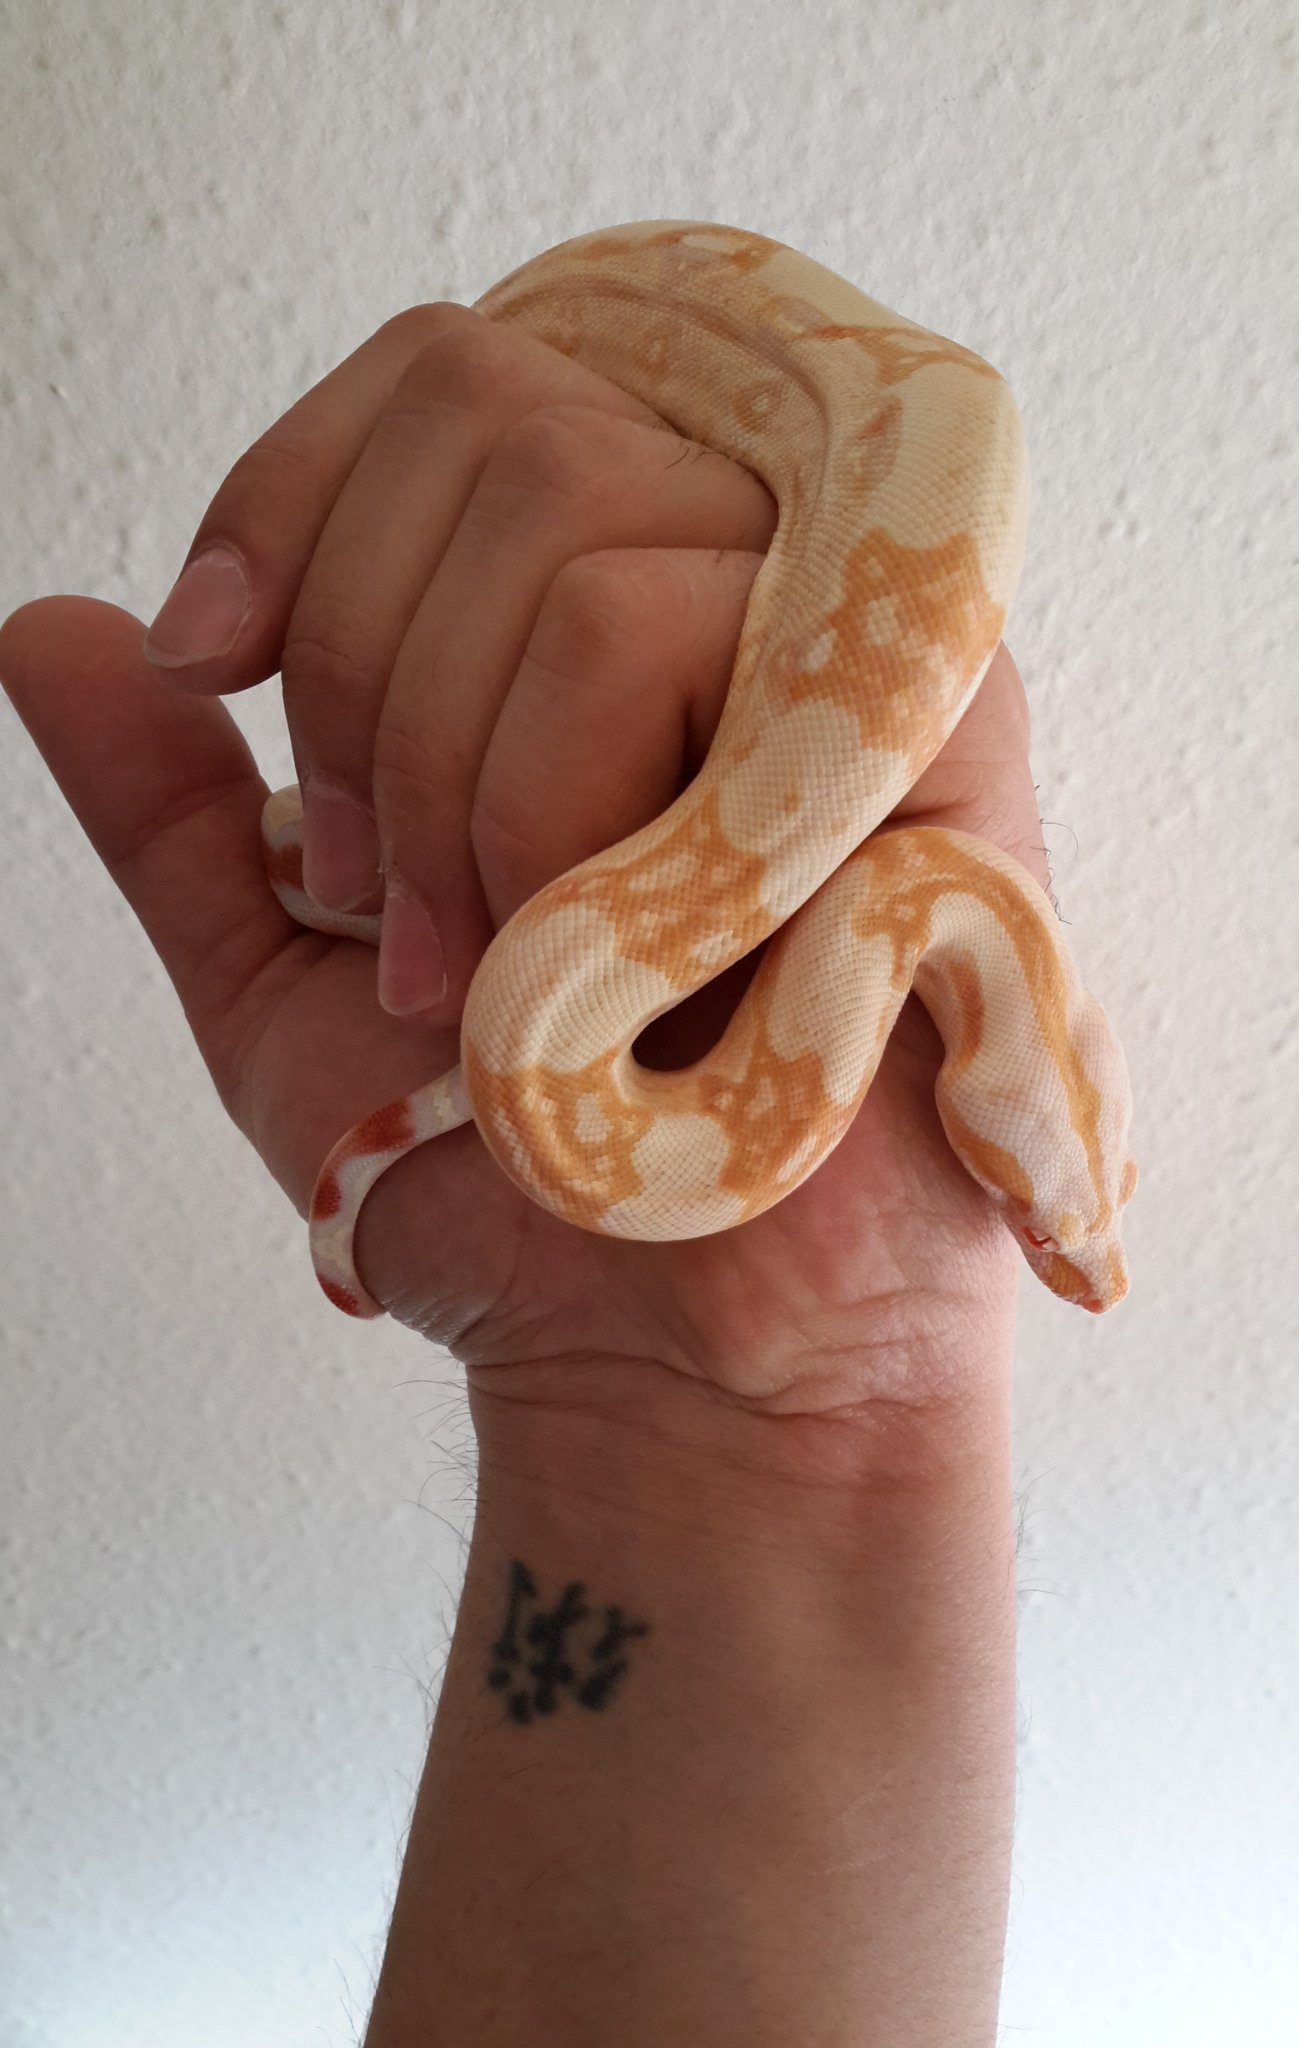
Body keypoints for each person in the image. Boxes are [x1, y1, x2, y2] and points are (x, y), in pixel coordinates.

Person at [0, 296, 1060, 2045]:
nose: (1050, 1257)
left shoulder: (894, 954)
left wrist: (778, 1420)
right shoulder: (891, 939)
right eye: (1039, 1213)